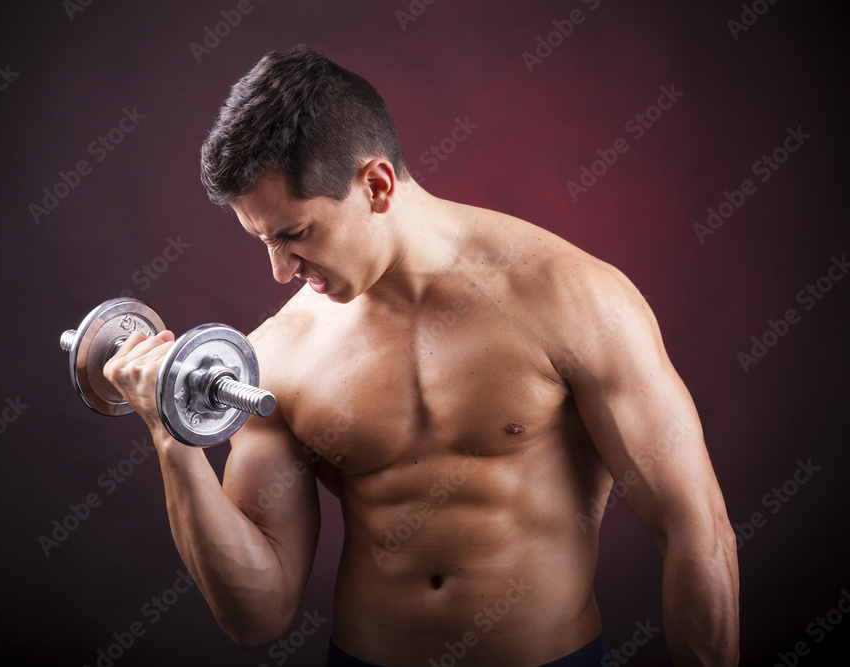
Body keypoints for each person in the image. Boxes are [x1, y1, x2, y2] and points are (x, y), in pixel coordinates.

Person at [104, 45, 739, 666]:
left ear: (376, 184)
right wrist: (172, 437)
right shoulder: (282, 351)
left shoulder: (572, 299)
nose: (279, 271)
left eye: (295, 235)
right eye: (264, 242)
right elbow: (257, 616)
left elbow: (696, 532)